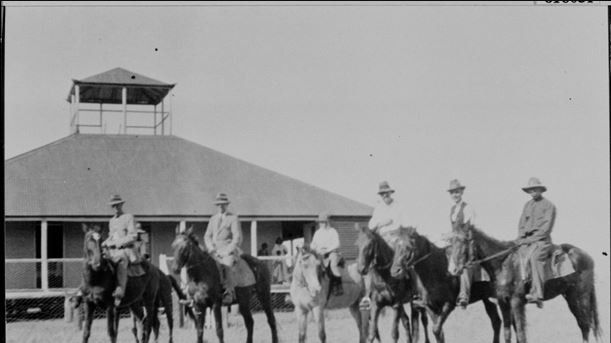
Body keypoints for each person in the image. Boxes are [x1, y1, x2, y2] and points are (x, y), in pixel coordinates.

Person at [361, 181, 408, 307]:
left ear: (390, 193)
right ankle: (369, 292)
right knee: (369, 256)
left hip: (395, 235)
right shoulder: (379, 207)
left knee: (402, 254)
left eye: (386, 193)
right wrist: (383, 223)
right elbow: (372, 225)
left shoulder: (398, 206)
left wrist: (385, 223)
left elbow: (398, 222)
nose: (384, 196)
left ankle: (408, 285)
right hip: (381, 237)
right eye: (382, 194)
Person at [204, 192, 253, 305]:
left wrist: (228, 251)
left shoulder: (233, 218)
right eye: (219, 204)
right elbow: (207, 236)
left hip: (228, 249)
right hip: (214, 251)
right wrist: (211, 248)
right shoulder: (213, 219)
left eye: (223, 204)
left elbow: (237, 237)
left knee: (227, 264)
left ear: (227, 205)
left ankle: (228, 292)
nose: (221, 206)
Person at [516, 177, 556, 308]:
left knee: (535, 258)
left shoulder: (549, 206)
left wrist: (530, 239)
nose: (532, 191)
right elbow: (522, 223)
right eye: (530, 190)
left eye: (534, 189)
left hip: (541, 241)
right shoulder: (527, 205)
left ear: (540, 190)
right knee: (513, 257)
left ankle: (537, 293)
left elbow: (546, 228)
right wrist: (521, 238)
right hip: (526, 240)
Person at [101, 194, 139, 306]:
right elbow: (111, 236)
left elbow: (133, 236)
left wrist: (116, 244)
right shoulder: (111, 221)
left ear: (121, 204)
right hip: (112, 250)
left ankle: (120, 292)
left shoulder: (128, 217)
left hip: (126, 250)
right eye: (113, 206)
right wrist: (104, 242)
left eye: (117, 205)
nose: (115, 207)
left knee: (121, 260)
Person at [447, 179, 477, 309]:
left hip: (467, 240)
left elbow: (470, 228)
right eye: (453, 192)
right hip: (456, 241)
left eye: (457, 192)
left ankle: (464, 294)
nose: (455, 195)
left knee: (464, 263)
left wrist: (458, 236)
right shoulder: (453, 209)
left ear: (462, 192)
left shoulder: (468, 208)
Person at [310, 212, 344, 296]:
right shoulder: (317, 233)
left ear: (327, 222)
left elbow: (337, 244)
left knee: (333, 266)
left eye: (323, 222)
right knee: (312, 265)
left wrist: (327, 250)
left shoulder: (333, 231)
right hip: (320, 254)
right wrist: (315, 248)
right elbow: (313, 243)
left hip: (332, 252)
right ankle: (313, 286)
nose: (321, 224)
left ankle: (338, 286)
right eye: (320, 222)